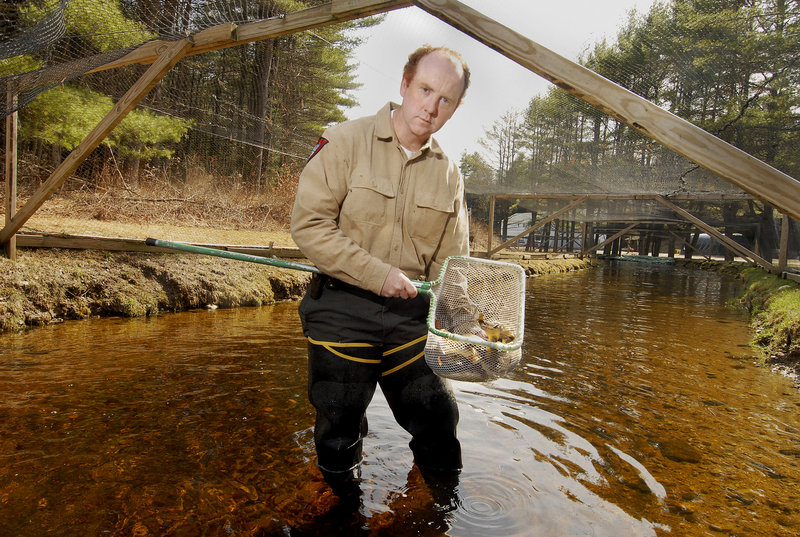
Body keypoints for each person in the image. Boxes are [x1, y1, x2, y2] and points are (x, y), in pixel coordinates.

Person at [290, 45, 471, 501]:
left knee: (439, 421)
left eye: (445, 99)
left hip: (412, 317)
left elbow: (455, 265)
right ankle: (339, 510)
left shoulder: (449, 173)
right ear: (405, 84)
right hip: (342, 309)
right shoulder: (345, 141)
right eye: (426, 90)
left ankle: (434, 514)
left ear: (455, 108)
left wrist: (463, 323)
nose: (431, 107)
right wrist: (376, 274)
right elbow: (309, 227)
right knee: (339, 426)